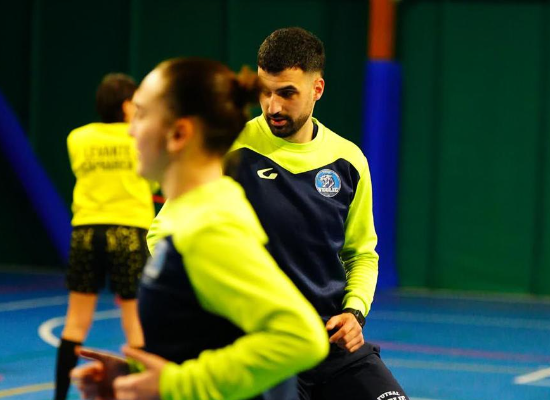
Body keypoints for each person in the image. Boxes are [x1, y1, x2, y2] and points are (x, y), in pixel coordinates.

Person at [71, 58, 329, 400]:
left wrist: (174, 385)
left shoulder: (210, 226)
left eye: (142, 115)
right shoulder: (187, 216)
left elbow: (301, 337)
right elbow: (207, 338)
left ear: (179, 134)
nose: (131, 130)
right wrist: (135, 377)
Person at [223, 27, 409, 400]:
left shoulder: (349, 161)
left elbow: (362, 254)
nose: (273, 107)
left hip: (331, 346)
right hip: (260, 347)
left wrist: (355, 313)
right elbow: (166, 233)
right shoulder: (228, 149)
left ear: (317, 89)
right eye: (265, 92)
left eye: (287, 93)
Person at [54, 73, 156, 400]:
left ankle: (58, 397)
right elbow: (152, 180)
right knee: (134, 323)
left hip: (86, 230)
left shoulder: (78, 138)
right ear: (126, 105)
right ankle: (140, 395)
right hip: (128, 230)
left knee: (75, 322)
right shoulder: (140, 136)